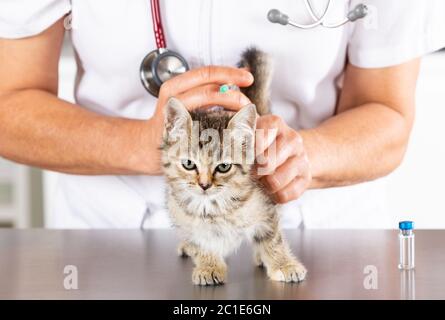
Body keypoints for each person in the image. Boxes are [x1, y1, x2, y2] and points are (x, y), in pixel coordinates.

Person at [0, 0, 444, 228]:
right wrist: (141, 145)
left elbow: (386, 112)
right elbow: (10, 103)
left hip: (315, 239)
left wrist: (306, 156)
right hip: (113, 235)